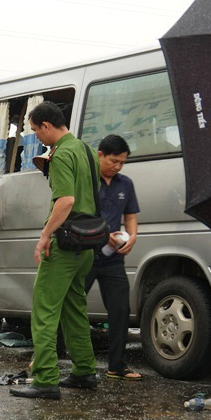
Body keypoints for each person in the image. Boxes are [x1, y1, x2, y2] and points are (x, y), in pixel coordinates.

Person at [11, 101, 98, 399]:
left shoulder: (62, 155)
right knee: (75, 310)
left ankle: (46, 378)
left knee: (45, 310)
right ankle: (85, 370)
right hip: (87, 244)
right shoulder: (86, 150)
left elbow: (66, 201)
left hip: (64, 242)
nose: (38, 137)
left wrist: (44, 237)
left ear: (47, 126)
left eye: (36, 130)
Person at [84, 134, 141, 380]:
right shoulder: (85, 180)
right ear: (100, 155)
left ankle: (116, 365)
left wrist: (133, 237)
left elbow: (130, 216)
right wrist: (101, 233)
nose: (117, 166)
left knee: (120, 310)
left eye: (122, 163)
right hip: (85, 254)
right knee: (70, 306)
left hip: (113, 258)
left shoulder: (125, 184)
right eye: (114, 161)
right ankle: (49, 357)